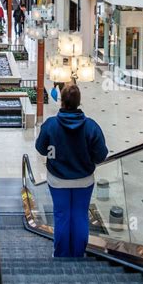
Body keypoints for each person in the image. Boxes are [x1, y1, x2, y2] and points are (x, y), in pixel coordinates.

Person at [35, 84, 108, 258]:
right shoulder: (91, 127)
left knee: (62, 216)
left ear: (61, 102)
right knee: (80, 216)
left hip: (58, 180)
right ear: (79, 102)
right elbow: (101, 155)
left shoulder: (51, 125)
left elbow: (41, 149)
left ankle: (61, 255)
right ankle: (78, 254)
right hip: (84, 180)